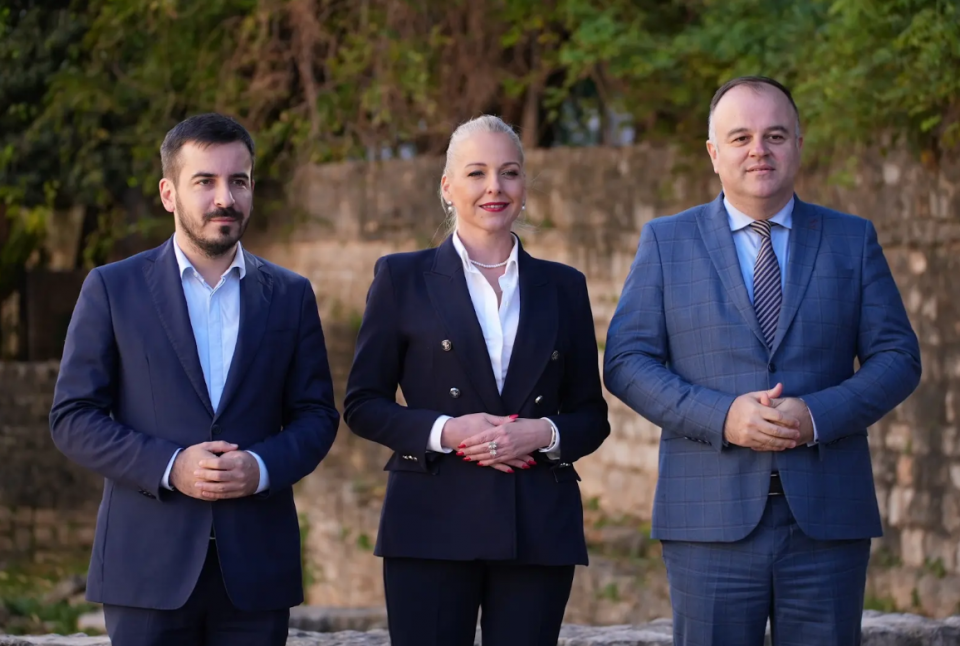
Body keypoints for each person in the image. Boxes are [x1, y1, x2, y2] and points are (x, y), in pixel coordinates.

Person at [603, 76, 921, 646]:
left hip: (827, 521)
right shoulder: (666, 242)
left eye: (775, 135)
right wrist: (722, 416)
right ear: (713, 152)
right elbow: (626, 360)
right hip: (708, 520)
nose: (759, 150)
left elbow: (898, 357)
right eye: (741, 137)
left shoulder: (851, 240)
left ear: (798, 143)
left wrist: (816, 416)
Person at [49, 113, 340, 646]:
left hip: (257, 571)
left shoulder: (291, 294)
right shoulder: (112, 288)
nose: (224, 198)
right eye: (205, 181)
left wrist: (259, 468)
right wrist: (170, 466)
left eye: (239, 181)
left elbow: (317, 416)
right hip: (145, 569)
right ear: (169, 193)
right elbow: (73, 417)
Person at [343, 115, 610, 646]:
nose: (495, 187)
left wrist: (542, 433)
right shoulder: (401, 277)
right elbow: (363, 404)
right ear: (447, 187)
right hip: (431, 519)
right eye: (476, 173)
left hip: (537, 522)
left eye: (509, 172)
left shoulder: (564, 286)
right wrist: (447, 430)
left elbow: (591, 417)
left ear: (524, 186)